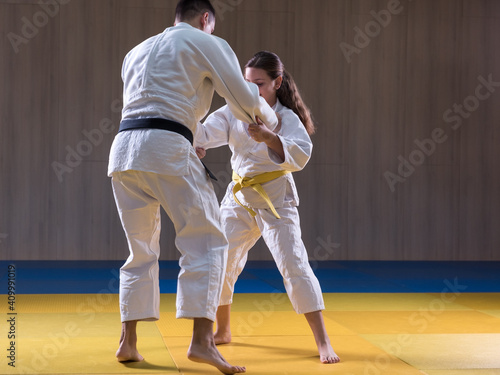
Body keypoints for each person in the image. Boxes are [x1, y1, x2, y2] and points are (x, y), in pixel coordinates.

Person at [107, 1, 278, 373]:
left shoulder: (135, 51)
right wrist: (270, 119)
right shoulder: (206, 42)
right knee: (209, 240)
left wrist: (193, 129)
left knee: (139, 250)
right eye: (211, 27)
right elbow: (245, 99)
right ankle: (202, 342)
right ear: (205, 20)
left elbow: (154, 100)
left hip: (123, 152)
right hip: (166, 147)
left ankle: (128, 341)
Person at [195, 51, 340, 364]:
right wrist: (196, 140)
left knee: (295, 265)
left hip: (276, 198)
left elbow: (301, 153)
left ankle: (324, 341)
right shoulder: (234, 111)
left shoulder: (286, 117)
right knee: (221, 260)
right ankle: (223, 331)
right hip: (238, 197)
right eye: (247, 83)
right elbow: (205, 132)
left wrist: (270, 138)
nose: (251, 91)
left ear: (277, 82)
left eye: (259, 83)